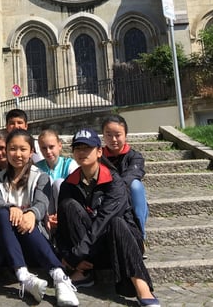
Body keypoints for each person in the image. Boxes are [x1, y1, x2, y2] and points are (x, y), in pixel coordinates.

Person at [57, 129, 159, 306]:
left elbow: (103, 221)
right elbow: (63, 225)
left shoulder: (114, 181)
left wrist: (75, 256)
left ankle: (142, 286)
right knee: (68, 206)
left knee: (115, 222)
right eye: (78, 148)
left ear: (99, 152)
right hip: (90, 250)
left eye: (87, 148)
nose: (82, 152)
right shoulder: (69, 184)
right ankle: (85, 273)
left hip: (120, 242)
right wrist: (66, 254)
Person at [0, 129, 79, 306]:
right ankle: (24, 277)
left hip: (34, 240)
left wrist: (31, 213)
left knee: (24, 221)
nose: (17, 154)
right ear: (6, 151)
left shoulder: (41, 177)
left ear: (31, 151)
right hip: (6, 244)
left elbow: (41, 203)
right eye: (13, 149)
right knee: (2, 213)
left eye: (23, 149)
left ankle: (60, 279)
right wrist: (12, 208)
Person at [101, 116, 149, 240]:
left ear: (125, 135)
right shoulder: (98, 157)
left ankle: (141, 235)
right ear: (103, 136)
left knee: (136, 185)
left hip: (128, 198)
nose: (113, 139)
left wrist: (115, 188)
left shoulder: (135, 157)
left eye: (118, 135)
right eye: (109, 135)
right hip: (106, 199)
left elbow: (133, 174)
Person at [35, 128, 78, 236]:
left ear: (59, 145)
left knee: (59, 183)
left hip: (65, 211)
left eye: (51, 147)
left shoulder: (70, 164)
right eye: (44, 148)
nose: (48, 152)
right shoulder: (36, 168)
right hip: (45, 214)